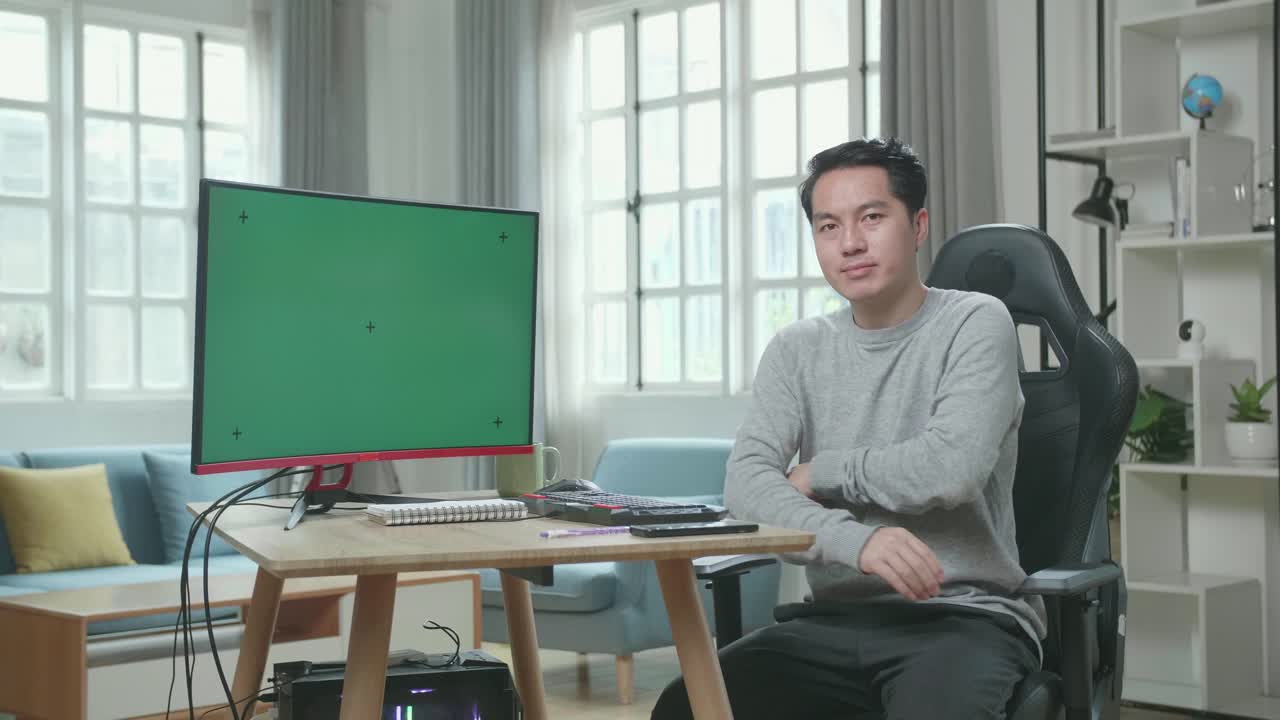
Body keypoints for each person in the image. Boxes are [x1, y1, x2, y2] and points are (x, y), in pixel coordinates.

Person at [651, 137, 1045, 719]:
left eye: (872, 217)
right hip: (831, 623)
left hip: (963, 619)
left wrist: (821, 471)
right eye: (828, 227)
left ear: (918, 225)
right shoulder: (796, 348)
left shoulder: (975, 322)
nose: (850, 243)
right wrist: (858, 542)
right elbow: (747, 486)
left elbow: (950, 467)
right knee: (685, 708)